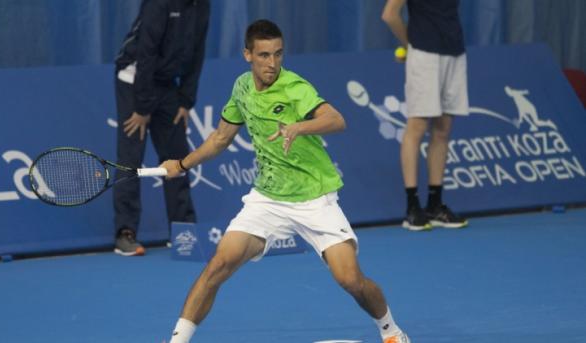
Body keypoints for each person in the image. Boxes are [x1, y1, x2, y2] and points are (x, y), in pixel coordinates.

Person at [160, 19, 410, 343]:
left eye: (278, 54)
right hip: (268, 199)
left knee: (349, 279)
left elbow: (336, 119)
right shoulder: (242, 87)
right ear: (247, 54)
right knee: (219, 264)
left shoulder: (295, 87)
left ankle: (391, 331)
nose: (272, 63)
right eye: (264, 55)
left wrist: (297, 127)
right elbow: (221, 138)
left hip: (314, 198)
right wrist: (182, 163)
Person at [113, 0, 209, 255]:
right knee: (130, 159)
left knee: (177, 158)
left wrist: (186, 100)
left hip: (167, 83)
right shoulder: (159, 3)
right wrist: (142, 108)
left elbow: (197, 50)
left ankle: (183, 234)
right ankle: (126, 233)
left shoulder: (202, 5)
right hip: (135, 79)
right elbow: (147, 51)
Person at [382, 0, 469, 231]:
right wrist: (410, 46)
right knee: (416, 129)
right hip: (424, 55)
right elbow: (390, 15)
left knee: (442, 131)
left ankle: (435, 205)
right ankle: (412, 207)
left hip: (454, 52)